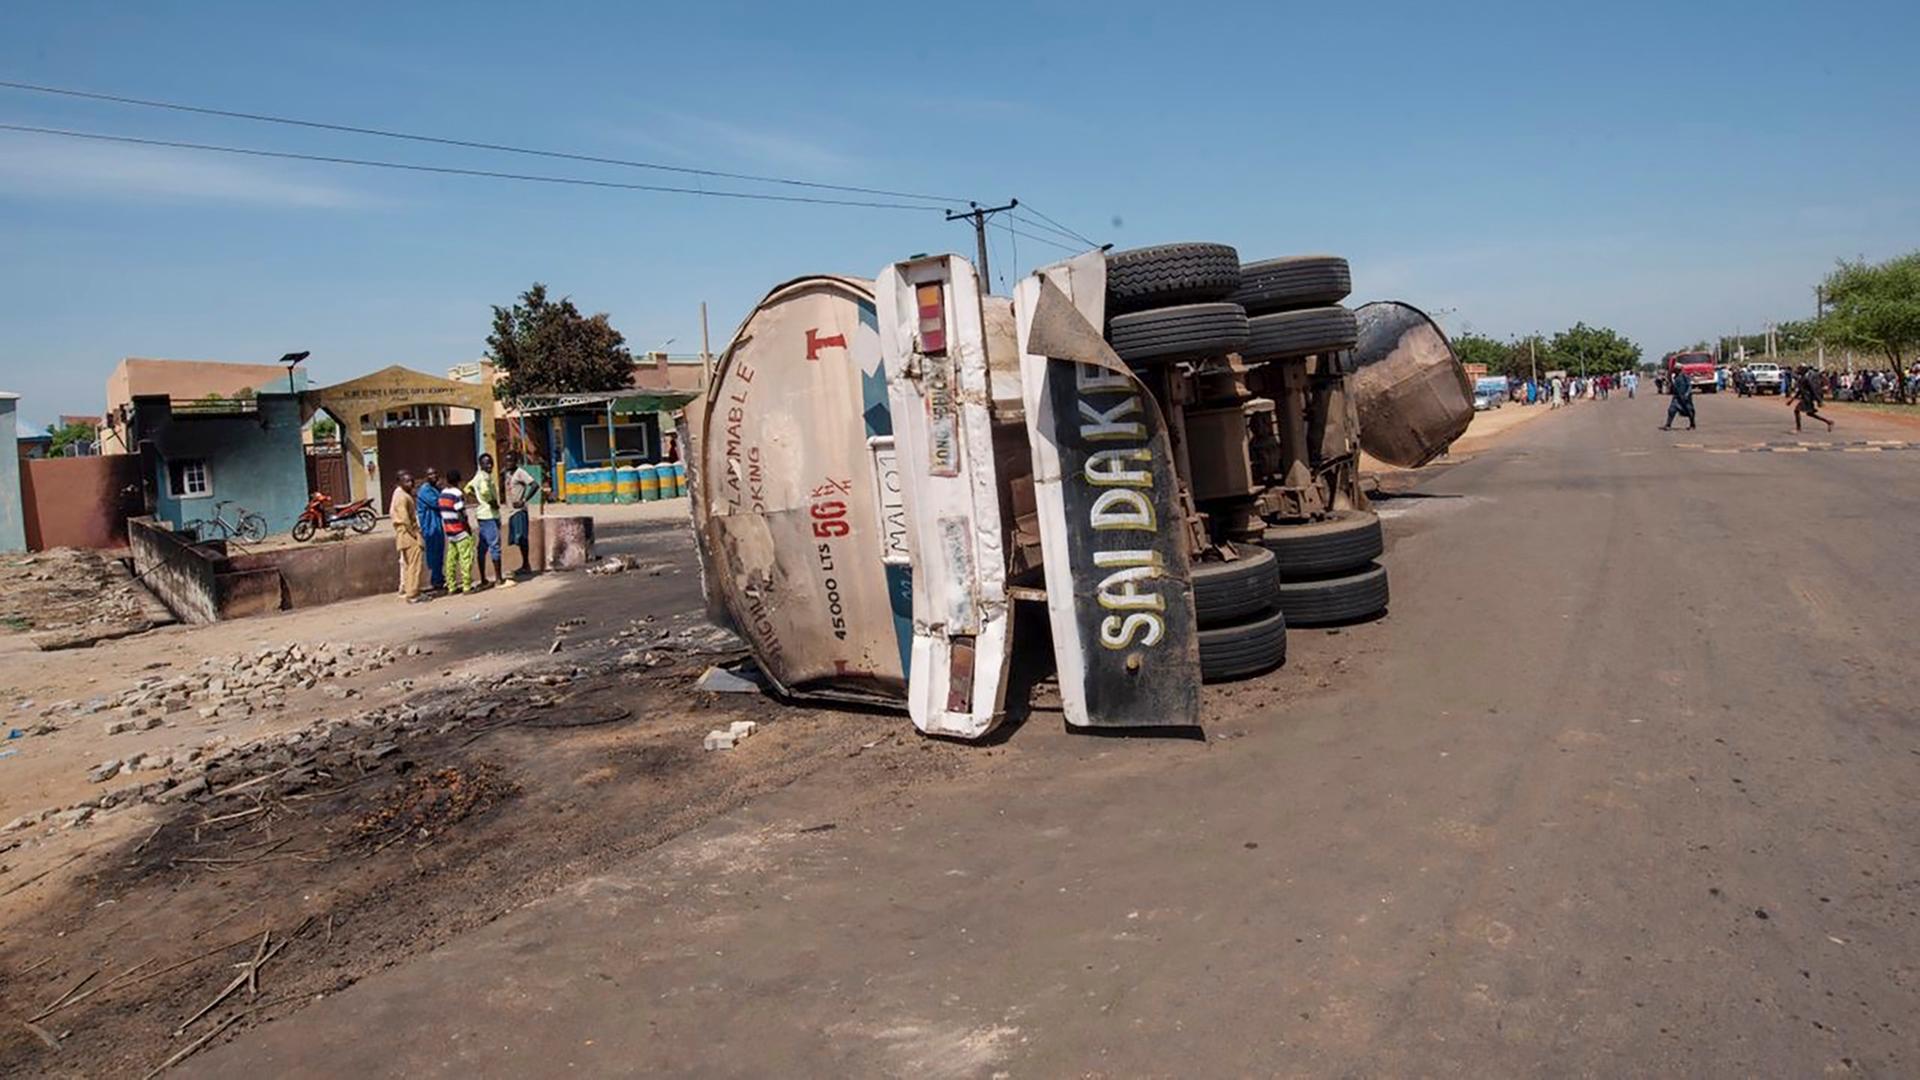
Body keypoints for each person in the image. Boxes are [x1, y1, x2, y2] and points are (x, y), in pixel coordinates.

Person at [389, 469, 427, 603]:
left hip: (403, 533)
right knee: (414, 564)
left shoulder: (402, 495)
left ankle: (409, 589)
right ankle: (413, 593)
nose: (410, 483)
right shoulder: (402, 497)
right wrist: (415, 535)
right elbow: (405, 519)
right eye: (407, 481)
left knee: (408, 564)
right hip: (407, 533)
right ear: (400, 483)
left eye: (411, 481)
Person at [466, 453, 503, 589]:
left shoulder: (477, 477)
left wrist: (477, 497)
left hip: (481, 514)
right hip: (489, 515)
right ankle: (499, 578)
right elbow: (486, 491)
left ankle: (483, 579)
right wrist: (491, 502)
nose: (489, 466)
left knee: (482, 547)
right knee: (494, 546)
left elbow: (467, 488)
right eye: (486, 463)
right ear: (480, 465)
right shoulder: (484, 478)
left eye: (490, 463)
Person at [438, 468, 476, 594]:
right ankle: (466, 586)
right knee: (466, 558)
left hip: (449, 531)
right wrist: (467, 527)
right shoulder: (457, 494)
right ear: (458, 481)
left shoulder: (442, 494)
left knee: (451, 560)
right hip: (460, 530)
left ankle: (451, 586)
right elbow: (460, 513)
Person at [503, 452, 537, 581]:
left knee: (522, 537)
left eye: (511, 461)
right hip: (511, 511)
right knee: (516, 539)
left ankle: (526, 564)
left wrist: (524, 500)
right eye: (506, 461)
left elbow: (534, 485)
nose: (508, 464)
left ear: (516, 461)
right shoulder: (507, 474)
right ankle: (524, 564)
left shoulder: (520, 473)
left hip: (519, 510)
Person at [416, 467, 446, 593]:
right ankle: (436, 581)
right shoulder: (425, 490)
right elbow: (438, 503)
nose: (433, 476)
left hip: (437, 525)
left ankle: (439, 578)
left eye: (435, 473)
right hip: (430, 527)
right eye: (430, 474)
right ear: (426, 477)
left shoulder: (434, 489)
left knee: (439, 553)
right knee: (434, 554)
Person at [1789, 365, 1834, 433]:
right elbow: (1800, 391)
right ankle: (1828, 422)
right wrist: (1792, 400)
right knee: (1810, 414)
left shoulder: (1807, 379)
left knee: (1797, 410)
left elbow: (1813, 390)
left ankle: (1798, 429)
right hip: (1805, 398)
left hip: (1807, 399)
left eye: (1799, 369)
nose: (1798, 371)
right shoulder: (1802, 378)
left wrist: (1819, 401)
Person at [1662, 365, 1696, 430]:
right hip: (1677, 397)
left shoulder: (1684, 376)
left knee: (1689, 411)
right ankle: (1668, 425)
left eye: (1675, 369)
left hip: (1685, 397)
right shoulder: (1675, 377)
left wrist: (1687, 394)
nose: (1674, 370)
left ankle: (1692, 424)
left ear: (1679, 370)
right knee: (1671, 410)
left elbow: (1689, 386)